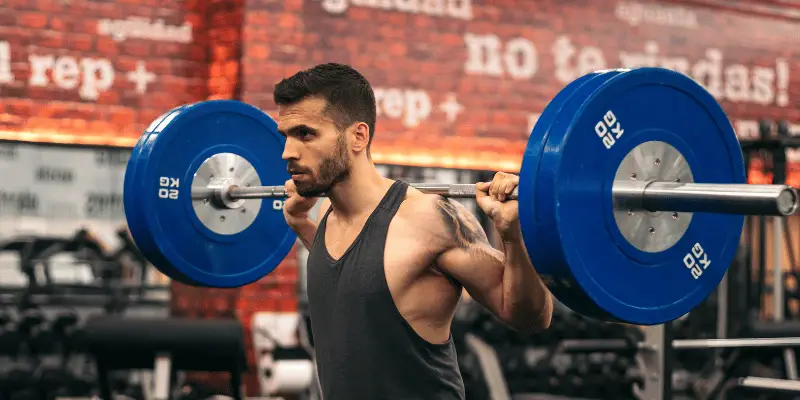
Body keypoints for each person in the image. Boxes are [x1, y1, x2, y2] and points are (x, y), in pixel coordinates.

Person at [275, 63, 553, 400]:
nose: (288, 152)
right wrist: (304, 226)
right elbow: (356, 280)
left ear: (358, 136)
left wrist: (512, 234)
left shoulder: (428, 218)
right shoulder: (326, 218)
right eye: (286, 136)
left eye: (305, 134)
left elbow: (530, 316)